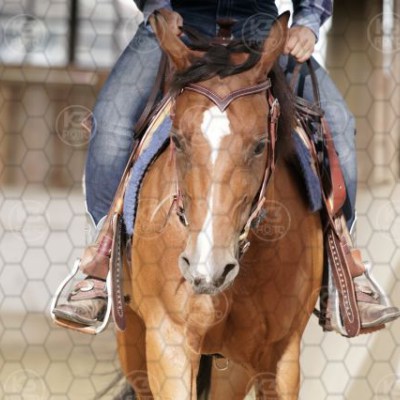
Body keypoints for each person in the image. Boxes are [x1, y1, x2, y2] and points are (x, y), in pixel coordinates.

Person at [52, 0, 400, 333]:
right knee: (111, 122)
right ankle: (98, 266)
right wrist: (157, 7)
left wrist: (308, 22)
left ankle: (345, 271)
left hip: (260, 28)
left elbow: (311, 8)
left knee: (338, 123)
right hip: (181, 25)